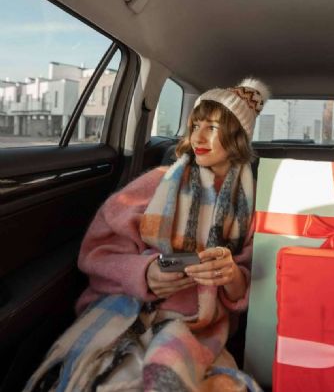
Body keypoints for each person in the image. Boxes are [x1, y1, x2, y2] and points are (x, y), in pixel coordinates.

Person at [26, 78, 269, 392]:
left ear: (237, 135)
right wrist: (146, 273)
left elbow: (250, 289)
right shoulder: (156, 183)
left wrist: (231, 274)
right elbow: (98, 254)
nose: (199, 136)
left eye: (213, 127)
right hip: (129, 310)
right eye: (195, 125)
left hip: (201, 328)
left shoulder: (250, 206)